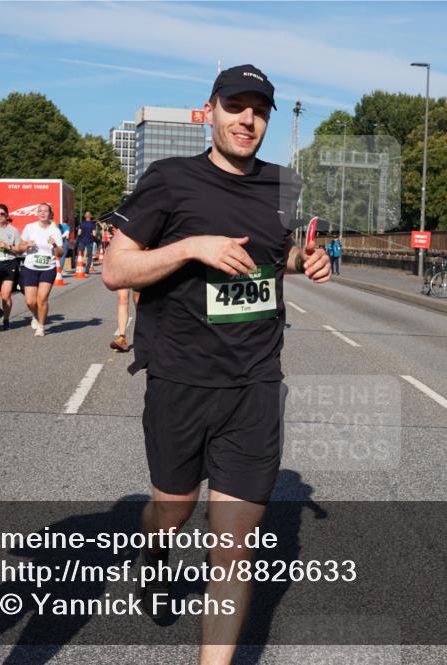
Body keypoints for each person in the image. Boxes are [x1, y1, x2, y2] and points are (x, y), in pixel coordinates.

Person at [103, 63, 330, 664]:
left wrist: (306, 261)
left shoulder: (285, 184)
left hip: (255, 383)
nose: (247, 119)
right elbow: (115, 271)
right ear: (211, 110)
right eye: (236, 106)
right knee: (173, 511)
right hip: (180, 377)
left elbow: (271, 258)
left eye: (259, 110)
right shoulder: (169, 180)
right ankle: (155, 551)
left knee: (233, 547)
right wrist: (189, 247)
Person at [18, 202, 63, 336]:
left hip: (48, 268)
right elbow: (20, 247)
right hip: (30, 267)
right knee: (30, 301)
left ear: (50, 214)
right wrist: (26, 245)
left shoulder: (55, 230)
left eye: (45, 211)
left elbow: (60, 253)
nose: (43, 213)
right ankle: (35, 315)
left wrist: (54, 244)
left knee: (42, 299)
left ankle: (41, 327)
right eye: (40, 211)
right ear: (37, 214)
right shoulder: (29, 228)